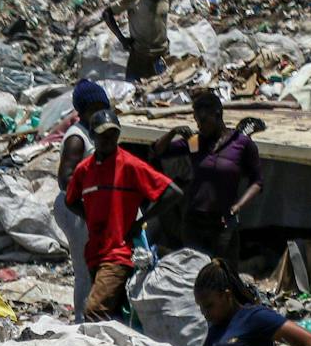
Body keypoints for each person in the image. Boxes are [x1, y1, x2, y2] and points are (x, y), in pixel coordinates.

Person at [65, 108, 183, 322]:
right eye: (103, 134)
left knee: (94, 311)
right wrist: (90, 216)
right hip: (95, 252)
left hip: (119, 252)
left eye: (113, 134)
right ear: (93, 136)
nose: (109, 139)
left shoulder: (130, 165)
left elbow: (172, 192)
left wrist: (141, 222)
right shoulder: (85, 169)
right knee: (113, 314)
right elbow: (70, 200)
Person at [153, 90, 262, 262]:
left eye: (203, 120)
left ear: (217, 115)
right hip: (194, 222)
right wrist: (173, 132)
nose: (199, 126)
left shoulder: (241, 143)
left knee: (223, 273)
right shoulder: (196, 142)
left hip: (224, 222)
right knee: (193, 273)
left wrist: (238, 206)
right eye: (197, 121)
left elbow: (257, 182)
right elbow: (159, 151)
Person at [194, 258, 311, 346]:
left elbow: (310, 341)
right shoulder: (214, 327)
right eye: (200, 306)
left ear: (227, 296)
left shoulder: (255, 317)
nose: (204, 312)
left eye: (209, 306)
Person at [54, 79, 113, 319]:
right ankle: (83, 321)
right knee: (85, 270)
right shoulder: (77, 138)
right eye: (94, 107)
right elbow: (65, 180)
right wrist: (88, 208)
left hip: (90, 208)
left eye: (103, 106)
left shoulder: (96, 130)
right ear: (82, 110)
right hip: (76, 210)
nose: (100, 111)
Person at [101, 0, 170, 81]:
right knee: (135, 91)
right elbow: (107, 13)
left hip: (161, 55)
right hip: (141, 56)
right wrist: (122, 39)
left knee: (161, 90)